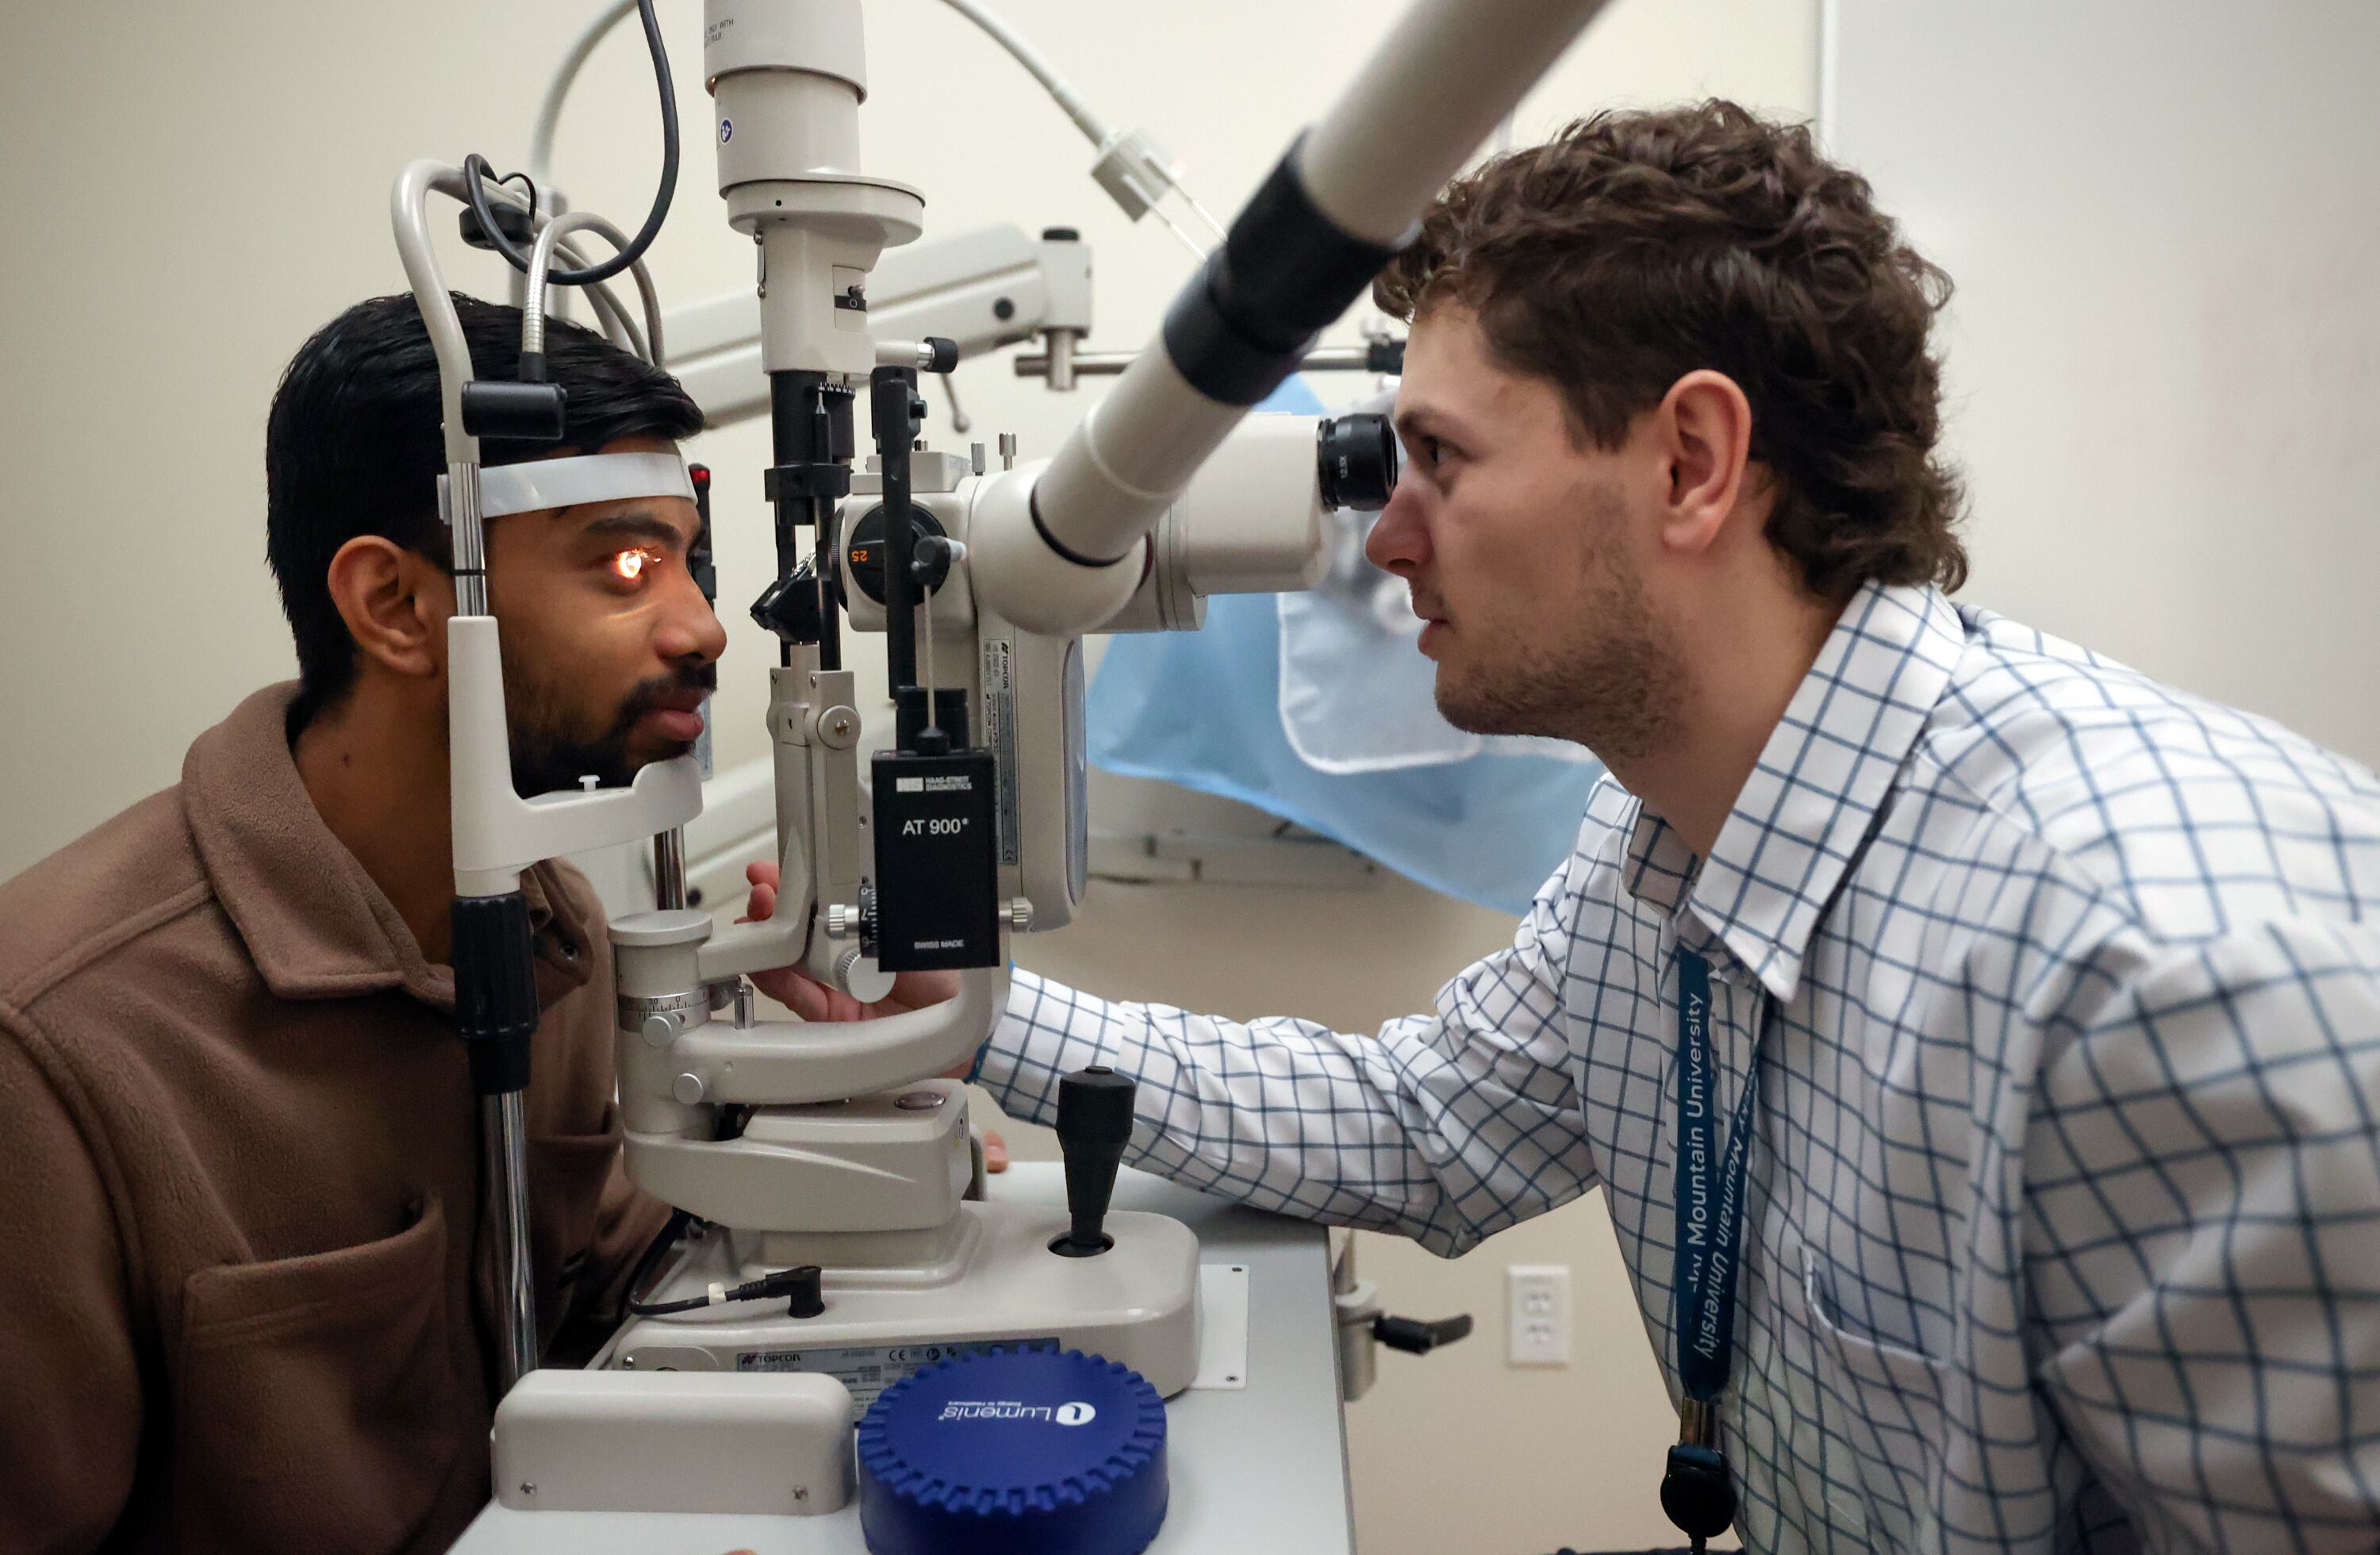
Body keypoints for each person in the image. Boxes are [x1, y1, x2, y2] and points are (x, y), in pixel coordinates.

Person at [760, 102, 2380, 1551]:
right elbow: (1420, 1120)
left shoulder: (2163, 971)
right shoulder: (1659, 849)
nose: (1385, 539)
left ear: (1691, 461)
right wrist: (970, 1012)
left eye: (1439, 460)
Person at [0, 294, 722, 1552]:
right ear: (393, 604)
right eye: (625, 565)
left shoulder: (547, 923)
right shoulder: (56, 1051)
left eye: (688, 561)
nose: (702, 626)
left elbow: (594, 1275)